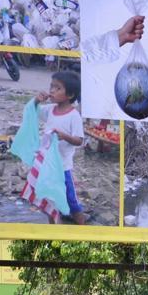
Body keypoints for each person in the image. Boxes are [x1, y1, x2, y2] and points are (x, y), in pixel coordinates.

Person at [32, 71, 86, 225]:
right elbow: (34, 111)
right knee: (50, 199)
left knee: (71, 200)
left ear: (70, 95)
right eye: (51, 86)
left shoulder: (74, 116)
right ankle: (54, 227)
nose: (52, 91)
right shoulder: (50, 109)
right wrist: (36, 101)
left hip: (63, 167)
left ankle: (83, 227)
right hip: (48, 165)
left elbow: (79, 140)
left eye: (58, 88)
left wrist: (64, 136)